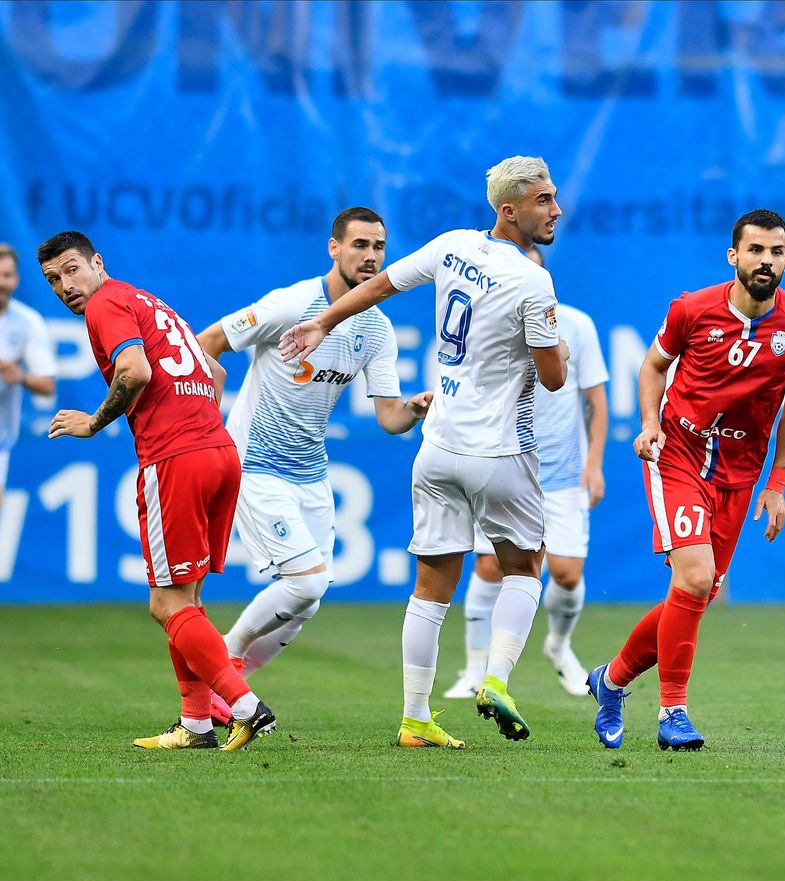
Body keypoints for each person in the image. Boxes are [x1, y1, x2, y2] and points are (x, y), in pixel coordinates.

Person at [280, 156, 568, 749]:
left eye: (554, 197)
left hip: (437, 448)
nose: (555, 210)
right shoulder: (534, 281)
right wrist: (555, 338)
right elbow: (554, 377)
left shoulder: (453, 245)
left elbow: (382, 285)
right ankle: (495, 678)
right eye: (544, 200)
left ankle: (415, 718)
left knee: (430, 589)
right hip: (499, 451)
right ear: (509, 210)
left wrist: (322, 323)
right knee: (523, 567)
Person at [587, 209, 785, 751]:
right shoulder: (692, 309)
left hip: (741, 472)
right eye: (755, 250)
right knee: (695, 577)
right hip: (680, 454)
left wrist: (778, 482)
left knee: (696, 593)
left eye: (776, 251)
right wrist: (649, 424)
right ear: (733, 255)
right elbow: (652, 367)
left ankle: (612, 679)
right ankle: (673, 714)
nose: (766, 261)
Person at [196, 208, 433, 725]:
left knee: (309, 600)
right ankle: (223, 657)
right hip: (254, 462)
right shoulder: (293, 304)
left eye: (379, 247)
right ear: (334, 248)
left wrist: (414, 409)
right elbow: (207, 343)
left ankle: (224, 689)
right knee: (303, 583)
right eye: (360, 245)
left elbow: (389, 418)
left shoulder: (376, 328)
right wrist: (207, 426)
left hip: (311, 472)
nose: (371, 257)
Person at [40, 231, 275, 751]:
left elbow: (135, 370)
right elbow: (213, 370)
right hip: (219, 454)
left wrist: (94, 423)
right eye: (54, 279)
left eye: (72, 269)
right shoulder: (148, 300)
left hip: (176, 459)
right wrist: (197, 424)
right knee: (186, 598)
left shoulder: (105, 304)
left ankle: (243, 706)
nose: (65, 285)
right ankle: (194, 725)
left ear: (97, 263)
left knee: (165, 604)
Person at [445, 245, 609, 699]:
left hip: (561, 474)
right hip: (505, 465)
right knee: (490, 566)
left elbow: (595, 399)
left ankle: (559, 646)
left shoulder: (577, 325)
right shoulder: (486, 325)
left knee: (567, 574)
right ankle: (476, 668)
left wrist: (594, 464)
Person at [0, 244, 57, 507]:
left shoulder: (28, 322)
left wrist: (18, 375)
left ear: (16, 279)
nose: (1, 283)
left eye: (7, 275)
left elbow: (46, 384)